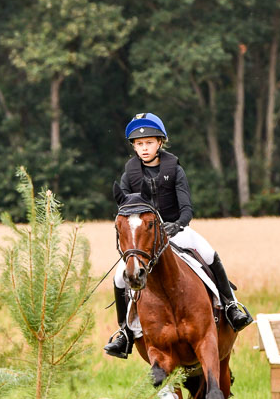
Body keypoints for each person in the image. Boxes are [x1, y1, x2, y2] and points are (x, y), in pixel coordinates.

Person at [104, 112, 253, 359]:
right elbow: (126, 210)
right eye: (139, 144)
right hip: (145, 240)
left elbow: (186, 208)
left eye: (149, 142)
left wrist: (177, 225)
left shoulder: (174, 168)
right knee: (121, 277)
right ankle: (124, 333)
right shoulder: (129, 173)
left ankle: (230, 306)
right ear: (134, 146)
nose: (144, 148)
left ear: (160, 142)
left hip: (176, 230)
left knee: (208, 253)